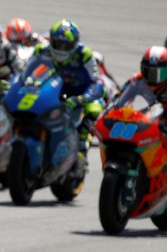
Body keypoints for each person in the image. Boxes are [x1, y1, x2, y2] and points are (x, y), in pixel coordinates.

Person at [32, 19, 104, 154]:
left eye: (66, 46)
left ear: (75, 44)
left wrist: (81, 99)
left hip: (78, 95)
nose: (61, 49)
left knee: (95, 108)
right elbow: (26, 73)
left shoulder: (84, 54)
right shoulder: (41, 50)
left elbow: (97, 83)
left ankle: (82, 143)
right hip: (49, 92)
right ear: (51, 40)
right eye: (57, 44)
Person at [134, 46, 167, 143]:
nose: (151, 78)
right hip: (153, 121)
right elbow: (120, 98)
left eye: (157, 73)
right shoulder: (138, 79)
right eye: (147, 72)